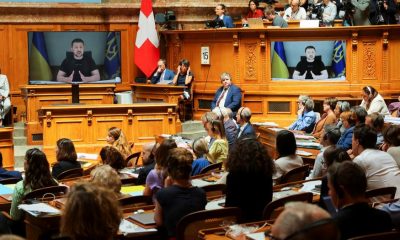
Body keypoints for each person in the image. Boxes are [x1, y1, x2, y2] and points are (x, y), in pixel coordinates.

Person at [327, 161, 393, 239]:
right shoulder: (384, 218)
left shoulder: (332, 225)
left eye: (330, 189)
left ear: (341, 191)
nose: (329, 193)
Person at [154, 148, 207, 238]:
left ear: (169, 170)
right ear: (190, 171)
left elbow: (159, 222)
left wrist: (167, 188)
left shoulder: (162, 194)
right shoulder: (201, 193)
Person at [9, 149, 58, 235]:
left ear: (28, 164)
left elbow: (15, 216)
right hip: (52, 228)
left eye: (25, 159)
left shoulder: (21, 187)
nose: (23, 161)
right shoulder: (55, 183)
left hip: (27, 230)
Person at [225, 138, 275, 221]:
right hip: (262, 220)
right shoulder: (267, 174)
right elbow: (268, 200)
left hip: (238, 223)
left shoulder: (233, 177)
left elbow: (229, 207)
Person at [352, 124, 400, 198]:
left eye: (352, 140)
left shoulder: (360, 160)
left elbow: (353, 193)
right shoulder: (386, 155)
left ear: (357, 142)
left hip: (386, 206)